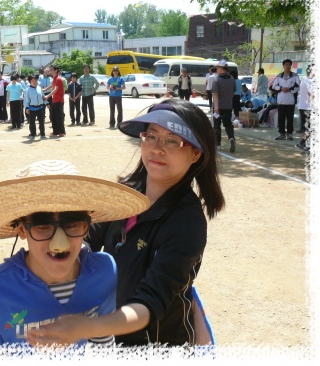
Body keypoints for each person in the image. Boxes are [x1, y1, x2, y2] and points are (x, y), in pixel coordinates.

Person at [26, 99, 225, 350]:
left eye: (172, 140)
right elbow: (86, 238)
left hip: (155, 345)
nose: (157, 148)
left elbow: (150, 303)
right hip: (110, 331)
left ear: (196, 153)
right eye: (151, 136)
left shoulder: (186, 220)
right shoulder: (126, 194)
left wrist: (83, 326)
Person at [0, 159, 149, 348]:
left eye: (72, 224)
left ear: (87, 227)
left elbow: (102, 340)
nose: (59, 244)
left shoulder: (104, 271)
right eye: (42, 226)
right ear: (22, 230)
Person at [273, 59, 300, 141]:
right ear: (283, 66)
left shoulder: (295, 76)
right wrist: (281, 88)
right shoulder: (278, 76)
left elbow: (298, 86)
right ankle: (281, 133)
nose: (288, 66)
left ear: (291, 66)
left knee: (290, 118)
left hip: (290, 101)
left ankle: (289, 134)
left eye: (289, 65)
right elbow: (274, 86)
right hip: (281, 101)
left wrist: (290, 89)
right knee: (281, 118)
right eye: (286, 65)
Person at [212, 60, 236, 153]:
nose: (217, 69)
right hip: (228, 106)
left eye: (217, 68)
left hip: (218, 107)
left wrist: (216, 108)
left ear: (221, 68)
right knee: (228, 124)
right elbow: (233, 93)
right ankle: (231, 137)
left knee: (217, 126)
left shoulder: (217, 80)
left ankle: (218, 144)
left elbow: (215, 94)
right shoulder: (232, 80)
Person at [295, 64, 314, 152]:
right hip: (308, 108)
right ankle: (302, 143)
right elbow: (312, 95)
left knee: (307, 128)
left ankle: (306, 144)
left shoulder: (305, 80)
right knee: (310, 128)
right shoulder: (310, 81)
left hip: (303, 107)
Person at [43, 65, 66, 137]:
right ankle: (56, 131)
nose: (50, 71)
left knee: (59, 116)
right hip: (55, 100)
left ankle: (62, 131)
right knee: (53, 116)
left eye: (51, 70)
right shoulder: (54, 78)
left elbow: (55, 89)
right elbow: (52, 86)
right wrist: (45, 89)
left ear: (56, 70)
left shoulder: (59, 79)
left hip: (59, 100)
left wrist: (47, 96)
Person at [24, 73, 47, 140]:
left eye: (35, 81)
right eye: (33, 81)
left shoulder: (39, 88)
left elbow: (43, 97)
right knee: (32, 123)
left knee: (41, 122)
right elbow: (26, 100)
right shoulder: (27, 90)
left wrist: (47, 103)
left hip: (40, 108)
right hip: (32, 109)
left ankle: (42, 134)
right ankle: (33, 135)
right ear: (30, 82)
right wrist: (27, 108)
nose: (34, 82)